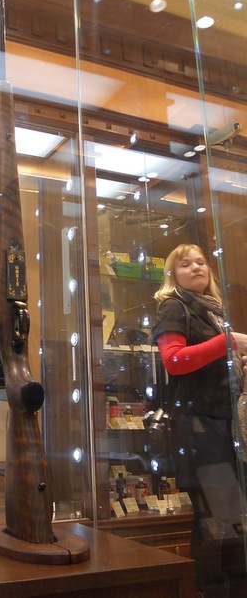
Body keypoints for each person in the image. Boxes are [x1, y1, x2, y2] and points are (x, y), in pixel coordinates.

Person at [151, 243, 247, 598]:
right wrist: (227, 344)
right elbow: (174, 361)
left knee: (229, 515)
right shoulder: (174, 306)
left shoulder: (212, 312)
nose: (196, 267)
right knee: (216, 515)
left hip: (221, 424)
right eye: (185, 264)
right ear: (172, 274)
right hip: (198, 424)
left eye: (201, 262)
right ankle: (212, 590)